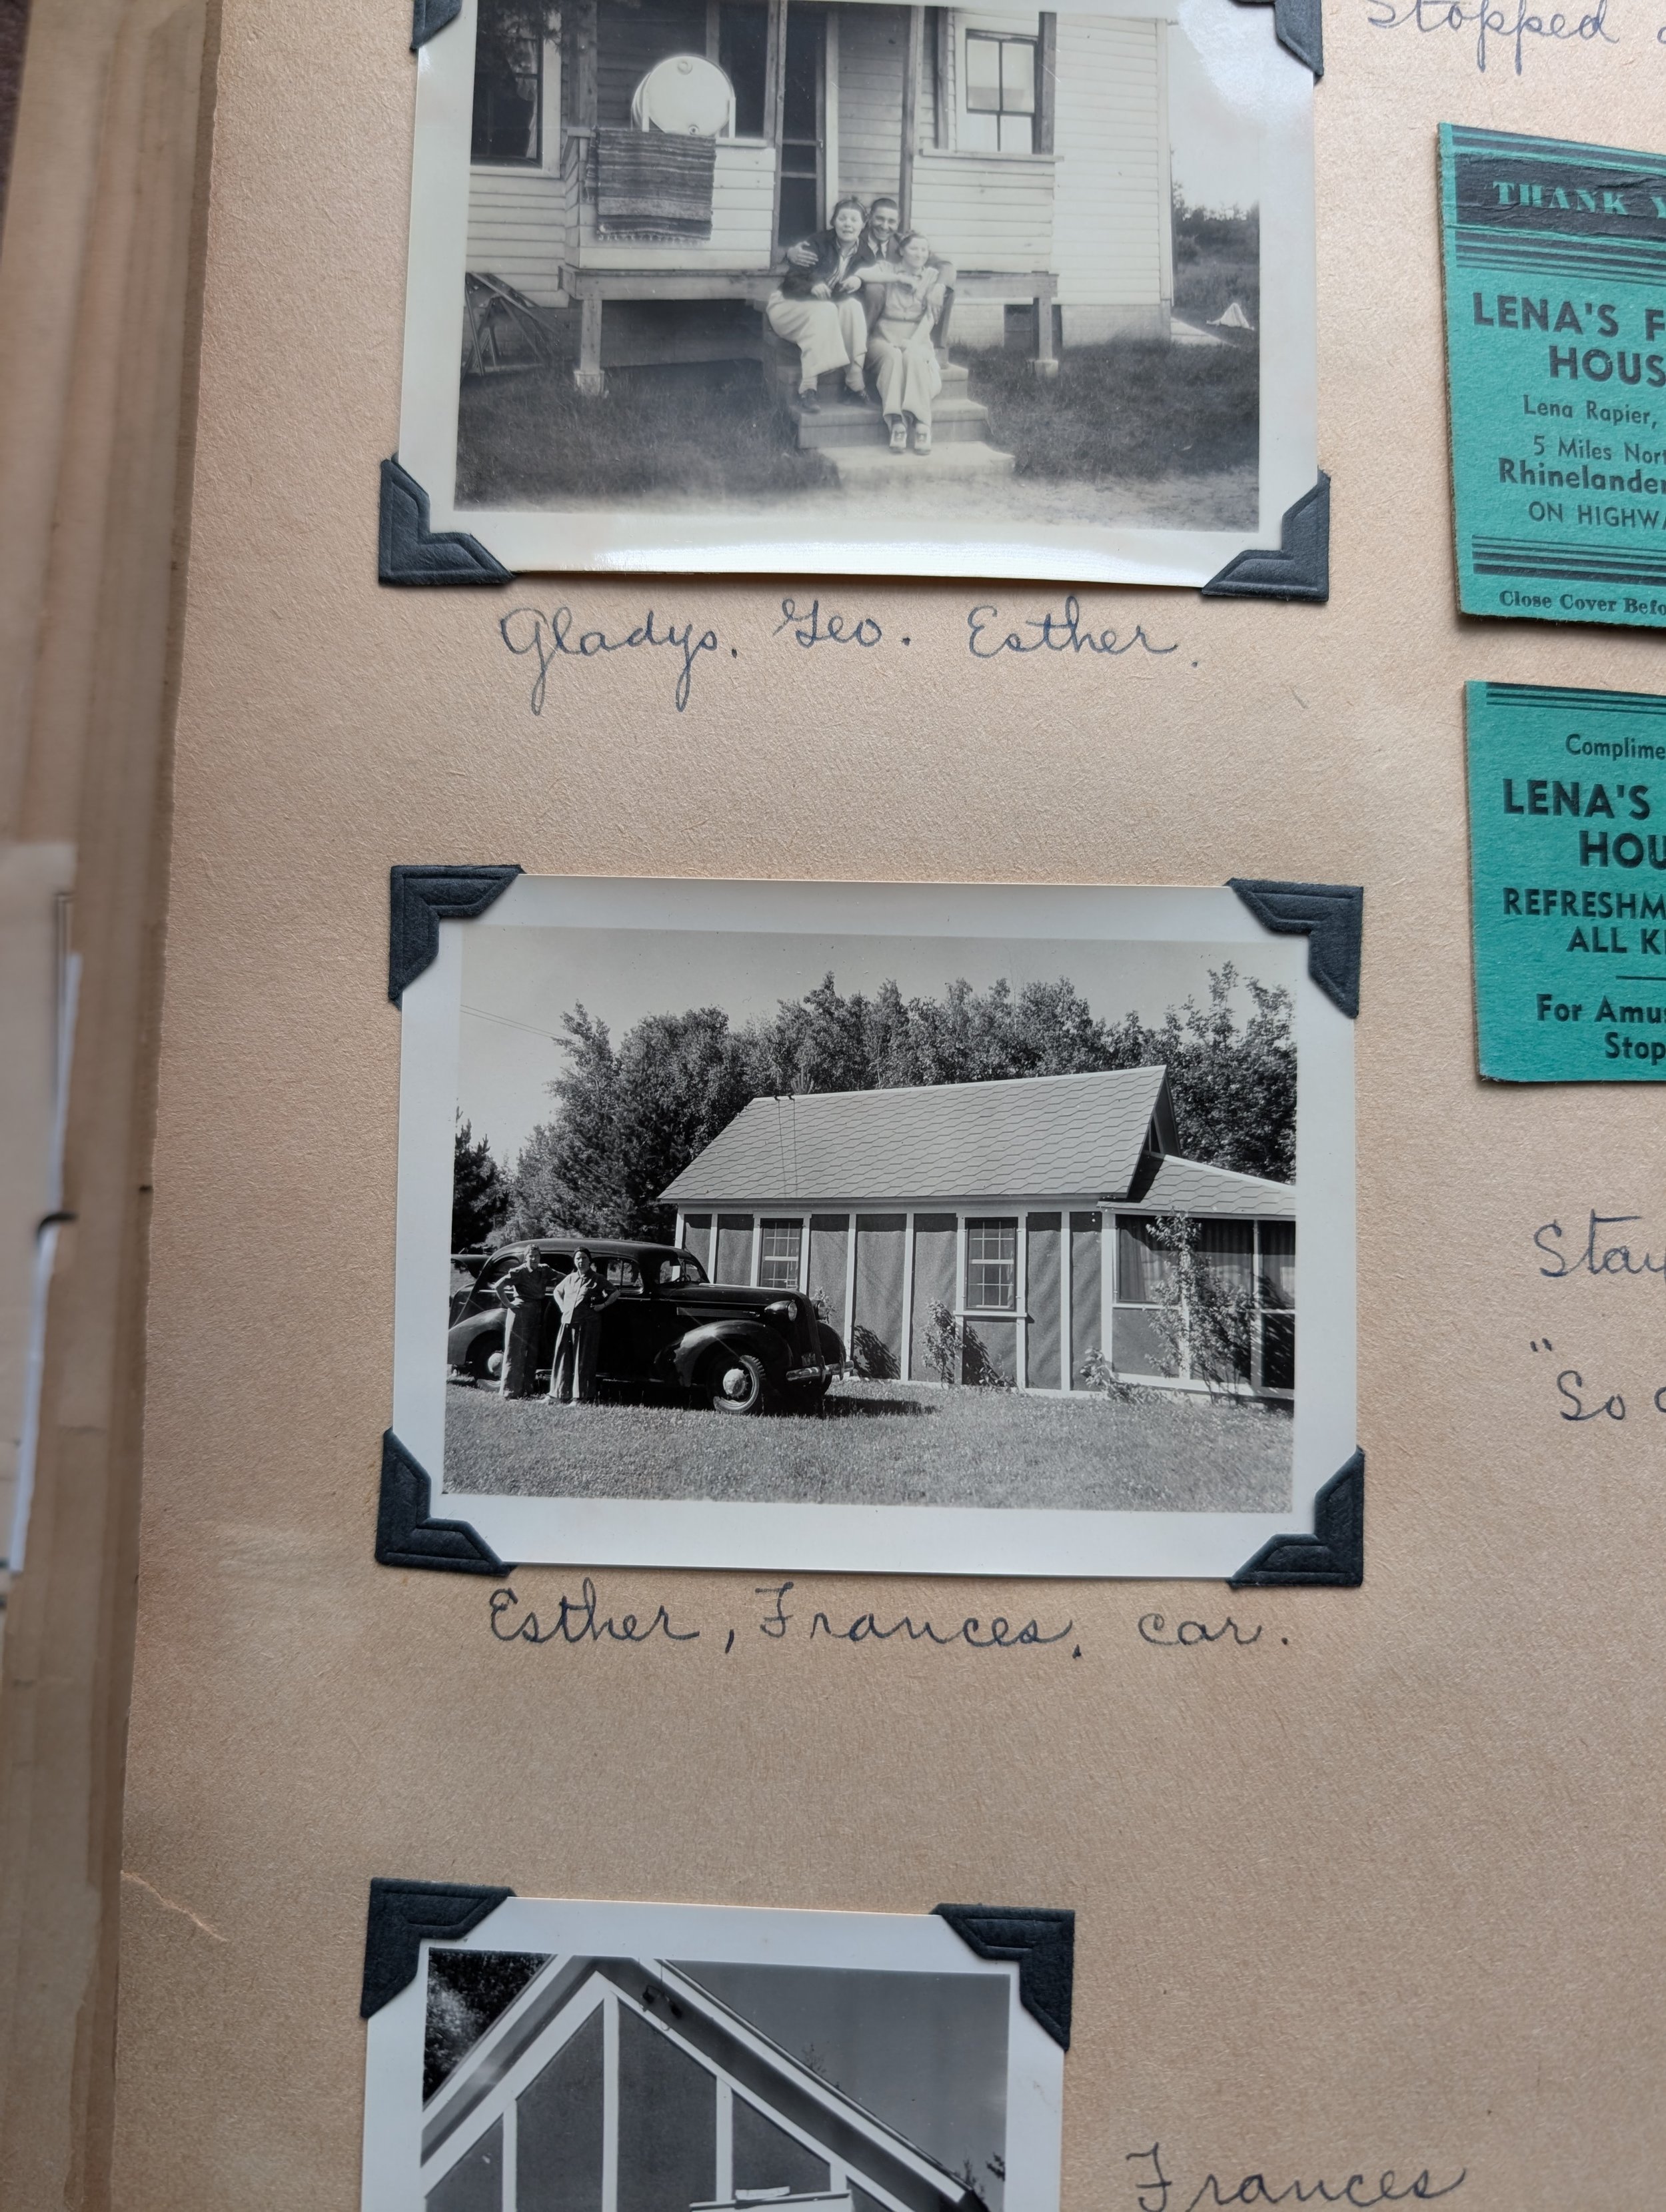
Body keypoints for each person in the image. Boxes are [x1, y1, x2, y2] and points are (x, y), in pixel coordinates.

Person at [765, 195, 875, 412]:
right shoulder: (817, 243)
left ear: (863, 225)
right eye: (842, 218)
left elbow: (863, 292)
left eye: (854, 220)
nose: (848, 224)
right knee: (825, 309)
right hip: (789, 306)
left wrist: (859, 281)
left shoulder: (865, 255)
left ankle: (854, 382)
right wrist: (812, 285)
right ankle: (808, 388)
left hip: (827, 310)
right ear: (834, 222)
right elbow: (790, 283)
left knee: (853, 307)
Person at [851, 231, 944, 454]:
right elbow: (862, 273)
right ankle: (897, 423)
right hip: (883, 336)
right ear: (901, 250)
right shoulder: (887, 268)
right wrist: (898, 279)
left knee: (913, 357)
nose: (919, 254)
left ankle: (922, 424)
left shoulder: (932, 276)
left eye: (924, 250)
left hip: (917, 336)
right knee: (893, 357)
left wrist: (913, 342)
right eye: (914, 248)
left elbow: (930, 317)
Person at [496, 1247, 557, 1398]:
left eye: (537, 1256)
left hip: (536, 1312)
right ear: (526, 1258)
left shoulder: (544, 1270)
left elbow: (563, 1278)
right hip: (520, 1312)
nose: (534, 1259)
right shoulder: (519, 1272)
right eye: (531, 1256)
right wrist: (509, 1304)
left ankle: (526, 1390)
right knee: (515, 1351)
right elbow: (499, 1286)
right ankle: (509, 1392)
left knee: (532, 1352)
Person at [546, 1248, 604, 1406]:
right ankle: (557, 1394)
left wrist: (603, 1305)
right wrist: (562, 1306)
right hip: (567, 1322)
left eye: (584, 1258)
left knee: (582, 1360)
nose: (581, 1261)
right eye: (578, 1258)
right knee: (562, 1357)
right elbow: (557, 1291)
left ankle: (580, 1397)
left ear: (589, 1260)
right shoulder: (570, 1278)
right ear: (574, 1261)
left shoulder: (597, 1278)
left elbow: (614, 1293)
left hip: (585, 1324)